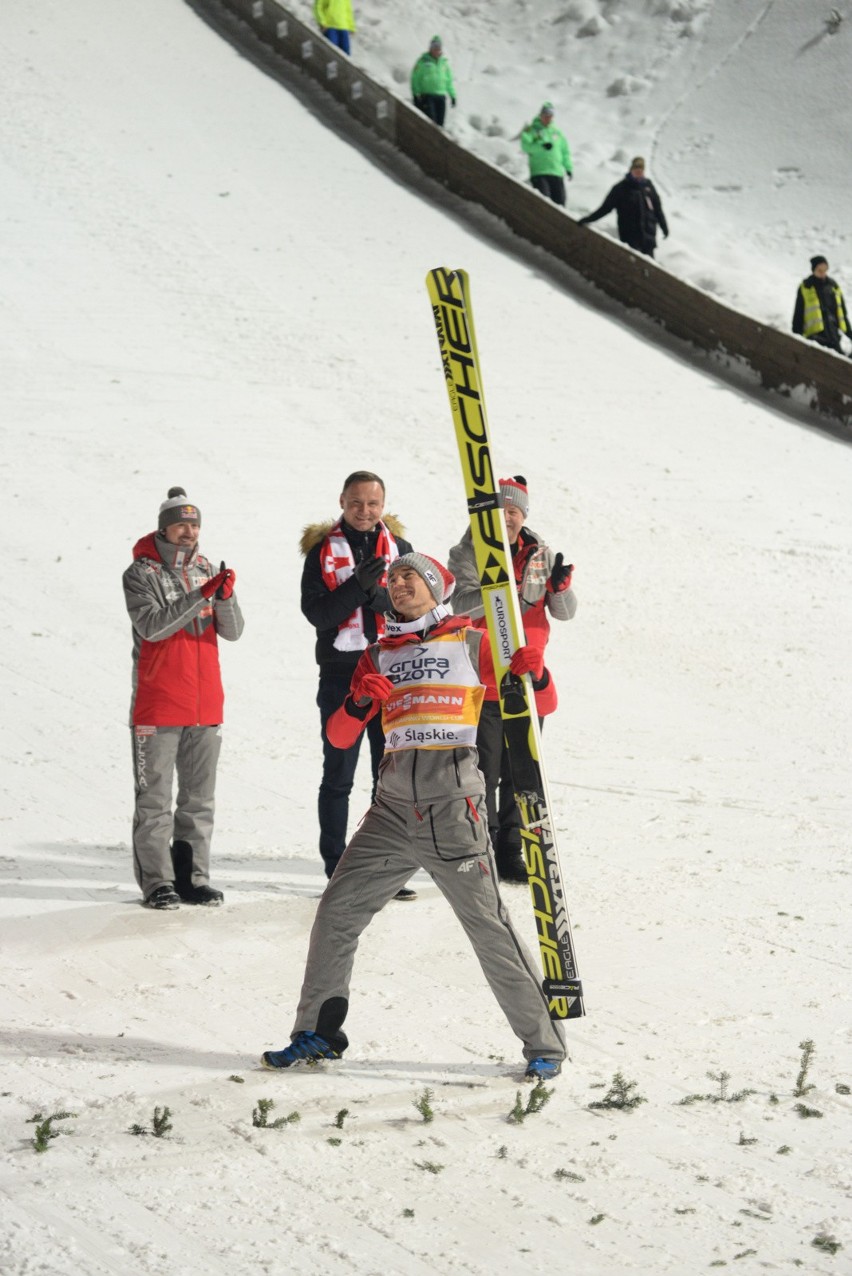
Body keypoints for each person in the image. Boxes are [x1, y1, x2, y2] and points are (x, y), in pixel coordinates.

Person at [261, 553, 566, 1080]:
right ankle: (318, 1033)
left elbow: (545, 703)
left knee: (489, 929)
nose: (398, 584)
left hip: (454, 812)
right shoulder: (378, 655)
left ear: (436, 587)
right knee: (337, 913)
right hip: (391, 813)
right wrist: (358, 701)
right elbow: (339, 737)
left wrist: (535, 670)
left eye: (411, 577)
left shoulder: (472, 642)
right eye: (392, 578)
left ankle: (546, 1046)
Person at [448, 477, 577, 884]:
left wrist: (560, 589)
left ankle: (511, 850)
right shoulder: (466, 551)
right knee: (484, 770)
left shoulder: (540, 553)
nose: (506, 518)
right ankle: (481, 850)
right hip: (484, 677)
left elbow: (563, 611)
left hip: (526, 676)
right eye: (498, 511)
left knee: (520, 770)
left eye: (513, 511)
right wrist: (500, 583)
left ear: (523, 516)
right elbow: (462, 605)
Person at [123, 487, 244, 910]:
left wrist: (224, 597)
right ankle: (158, 882)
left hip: (205, 704)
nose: (189, 531)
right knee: (154, 800)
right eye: (181, 524)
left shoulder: (207, 567)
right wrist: (200, 595)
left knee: (198, 799)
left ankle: (193, 879)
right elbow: (153, 627)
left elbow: (233, 631)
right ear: (164, 528)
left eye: (194, 524)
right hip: (157, 706)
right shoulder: (141, 573)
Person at [300, 471, 415, 891]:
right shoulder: (320, 552)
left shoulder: (400, 549)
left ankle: (384, 868)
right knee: (339, 775)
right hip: (341, 677)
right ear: (342, 502)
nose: (364, 512)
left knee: (389, 780)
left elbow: (417, 607)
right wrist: (357, 588)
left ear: (383, 505)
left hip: (391, 675)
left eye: (372, 504)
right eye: (356, 503)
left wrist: (377, 595)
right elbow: (319, 616)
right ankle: (336, 868)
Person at [578, 156, 669, 258]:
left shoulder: (649, 187)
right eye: (636, 170)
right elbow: (606, 208)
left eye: (641, 170)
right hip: (630, 237)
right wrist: (588, 219)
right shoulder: (621, 189)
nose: (639, 173)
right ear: (631, 170)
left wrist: (664, 227)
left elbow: (658, 209)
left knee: (649, 268)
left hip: (648, 238)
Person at [792, 255, 851, 354]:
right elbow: (798, 313)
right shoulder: (806, 286)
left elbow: (842, 314)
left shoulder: (833, 286)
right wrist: (796, 336)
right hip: (815, 337)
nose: (823, 272)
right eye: (820, 270)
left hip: (833, 334)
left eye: (825, 269)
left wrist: (849, 334)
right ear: (813, 270)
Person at [520, 102, 573, 206]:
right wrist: (541, 147)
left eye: (550, 116)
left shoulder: (557, 133)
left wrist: (568, 168)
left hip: (556, 172)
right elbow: (525, 146)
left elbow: (565, 152)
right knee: (544, 202)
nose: (548, 118)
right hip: (540, 172)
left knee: (560, 203)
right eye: (545, 115)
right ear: (541, 115)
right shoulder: (532, 130)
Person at [411, 35, 457, 128]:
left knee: (440, 124)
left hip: (441, 97)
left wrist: (453, 95)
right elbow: (415, 78)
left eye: (438, 47)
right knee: (431, 122)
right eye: (434, 47)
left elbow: (448, 81)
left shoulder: (444, 63)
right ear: (431, 48)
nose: (436, 50)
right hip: (428, 96)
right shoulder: (423, 61)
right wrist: (416, 94)